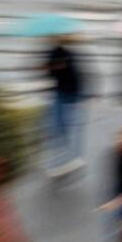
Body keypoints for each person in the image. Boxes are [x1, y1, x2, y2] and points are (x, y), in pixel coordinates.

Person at [44, 34, 85, 177]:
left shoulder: (60, 53)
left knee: (60, 126)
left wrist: (52, 68)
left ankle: (67, 159)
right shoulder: (63, 53)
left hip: (67, 93)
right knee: (63, 126)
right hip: (67, 93)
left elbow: (58, 72)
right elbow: (56, 72)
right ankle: (69, 157)